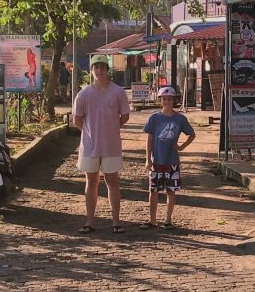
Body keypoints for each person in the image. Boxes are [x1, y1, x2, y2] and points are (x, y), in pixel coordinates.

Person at [72, 55, 130, 233]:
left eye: (102, 67)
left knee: (112, 181)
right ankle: (89, 221)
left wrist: (110, 128)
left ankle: (116, 221)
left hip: (111, 146)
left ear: (107, 70)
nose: (99, 71)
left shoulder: (118, 92)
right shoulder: (83, 94)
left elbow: (125, 116)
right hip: (89, 146)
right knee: (91, 182)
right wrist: (90, 132)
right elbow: (77, 119)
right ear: (91, 70)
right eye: (96, 68)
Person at [142, 85, 196, 229]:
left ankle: (168, 220)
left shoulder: (180, 119)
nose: (167, 102)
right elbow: (149, 139)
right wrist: (148, 158)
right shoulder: (154, 118)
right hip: (156, 161)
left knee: (170, 190)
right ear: (160, 101)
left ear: (174, 101)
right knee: (153, 191)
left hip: (172, 161)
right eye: (164, 99)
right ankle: (152, 220)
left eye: (169, 99)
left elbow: (191, 134)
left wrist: (182, 147)